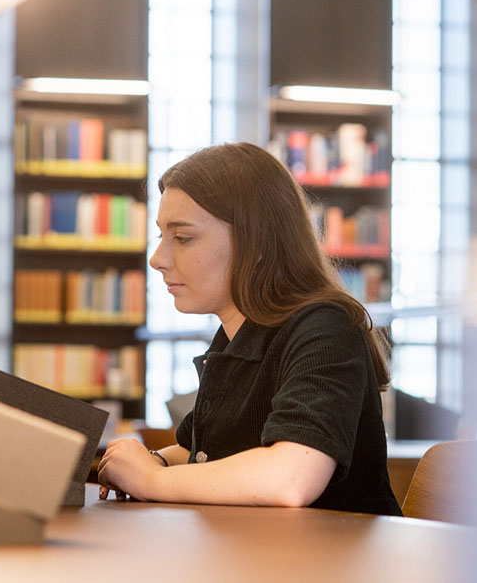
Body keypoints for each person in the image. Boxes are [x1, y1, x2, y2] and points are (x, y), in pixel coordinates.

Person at [97, 142, 402, 515]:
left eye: (183, 237)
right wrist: (153, 461)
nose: (157, 259)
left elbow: (291, 477)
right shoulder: (234, 338)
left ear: (255, 242)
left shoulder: (326, 328)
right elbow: (206, 452)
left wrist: (150, 479)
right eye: (162, 236)